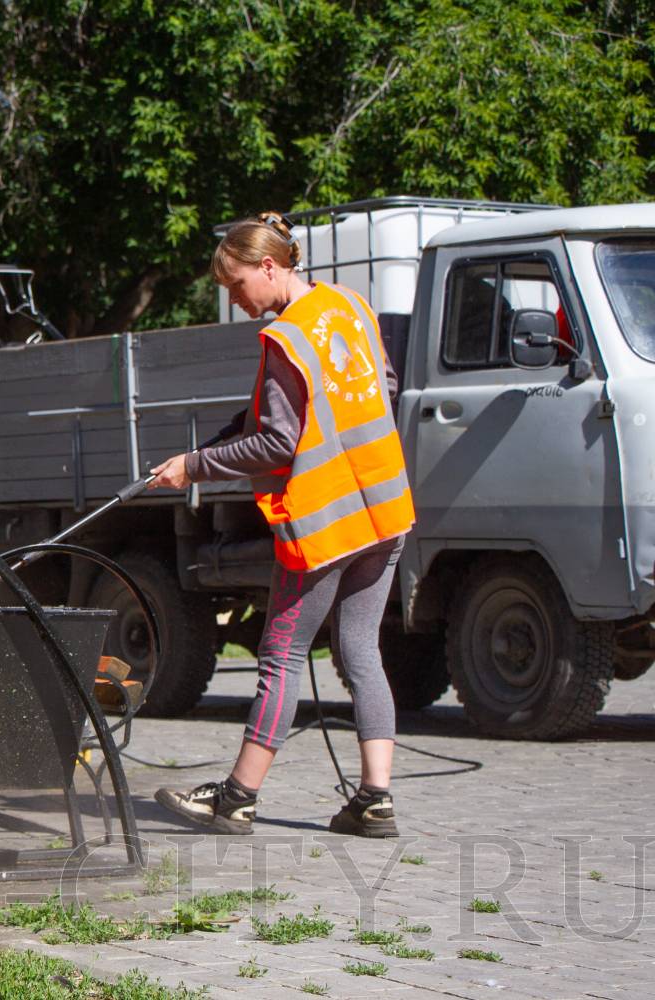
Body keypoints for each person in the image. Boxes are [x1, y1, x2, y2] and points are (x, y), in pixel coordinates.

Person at [149, 212, 416, 838]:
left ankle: (236, 798)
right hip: (384, 510)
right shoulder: (349, 306)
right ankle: (375, 799)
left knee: (281, 656)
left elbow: (275, 444)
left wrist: (192, 466)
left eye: (238, 284)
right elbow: (384, 384)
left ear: (269, 266)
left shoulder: (285, 339)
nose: (236, 301)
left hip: (325, 524)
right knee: (362, 650)